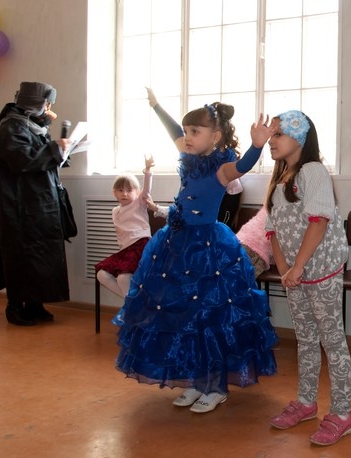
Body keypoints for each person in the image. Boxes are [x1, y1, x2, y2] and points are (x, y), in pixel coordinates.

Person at [114, 91, 278, 414]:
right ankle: (195, 380)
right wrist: (157, 106)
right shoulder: (188, 158)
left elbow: (243, 165)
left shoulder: (221, 169)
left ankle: (215, 387)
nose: (187, 137)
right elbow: (173, 131)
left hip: (207, 250)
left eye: (195, 132)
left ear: (214, 137)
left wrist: (258, 145)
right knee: (183, 315)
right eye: (187, 131)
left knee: (208, 316)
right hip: (176, 246)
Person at [264, 110, 351, 446]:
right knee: (305, 339)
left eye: (278, 134)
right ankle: (306, 402)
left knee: (332, 341)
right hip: (296, 274)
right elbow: (272, 230)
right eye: (271, 135)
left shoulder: (313, 171)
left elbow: (319, 221)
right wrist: (286, 269)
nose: (271, 141)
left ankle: (342, 414)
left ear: (299, 136)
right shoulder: (279, 179)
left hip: (320, 270)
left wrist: (298, 266)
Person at [0, 81, 71, 327]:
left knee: (42, 255)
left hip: (40, 204)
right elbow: (23, 160)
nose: (49, 109)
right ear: (37, 103)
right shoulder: (11, 128)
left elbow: (42, 159)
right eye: (47, 104)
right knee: (21, 256)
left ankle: (36, 304)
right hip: (19, 206)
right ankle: (15, 308)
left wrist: (63, 151)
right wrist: (54, 149)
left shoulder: (33, 126)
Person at [95, 155, 161, 298]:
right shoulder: (115, 211)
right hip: (125, 250)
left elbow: (146, 190)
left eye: (129, 190)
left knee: (123, 278)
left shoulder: (139, 203)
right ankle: (133, 302)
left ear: (137, 192)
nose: (124, 194)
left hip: (141, 246)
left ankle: (131, 306)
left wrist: (148, 170)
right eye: (120, 190)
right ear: (114, 193)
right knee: (101, 274)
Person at [236, 204, 273, 278]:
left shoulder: (270, 205)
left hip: (237, 243)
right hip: (256, 251)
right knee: (240, 280)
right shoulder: (282, 211)